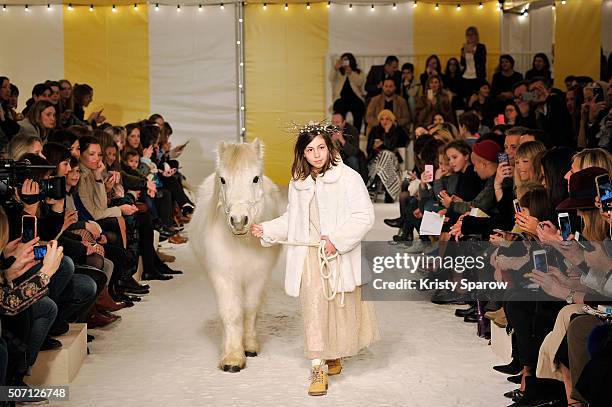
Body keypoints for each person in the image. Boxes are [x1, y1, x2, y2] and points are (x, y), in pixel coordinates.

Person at [250, 123, 379, 397]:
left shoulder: (348, 177)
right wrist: (268, 229)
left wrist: (337, 240)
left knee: (337, 307)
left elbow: (364, 216)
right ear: (303, 154)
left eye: (321, 147)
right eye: (310, 150)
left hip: (338, 253)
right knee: (314, 309)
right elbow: (292, 220)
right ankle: (318, 365)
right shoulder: (299, 184)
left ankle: (333, 353)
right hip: (310, 255)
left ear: (329, 147)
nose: (317, 154)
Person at [330, 53, 365, 132]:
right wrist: (335, 68)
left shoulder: (358, 72)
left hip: (355, 98)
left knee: (359, 107)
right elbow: (331, 78)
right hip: (341, 98)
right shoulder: (338, 72)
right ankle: (338, 132)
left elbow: (360, 82)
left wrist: (351, 73)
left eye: (347, 60)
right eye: (343, 60)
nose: (345, 62)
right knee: (338, 108)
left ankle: (356, 133)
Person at [461, 26, 487, 97]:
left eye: (472, 34)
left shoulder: (481, 47)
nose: (470, 36)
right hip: (466, 76)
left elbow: (483, 61)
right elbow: (462, 63)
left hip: (477, 76)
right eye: (468, 35)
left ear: (476, 36)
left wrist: (473, 52)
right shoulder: (464, 48)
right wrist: (463, 55)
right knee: (467, 97)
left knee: (478, 97)